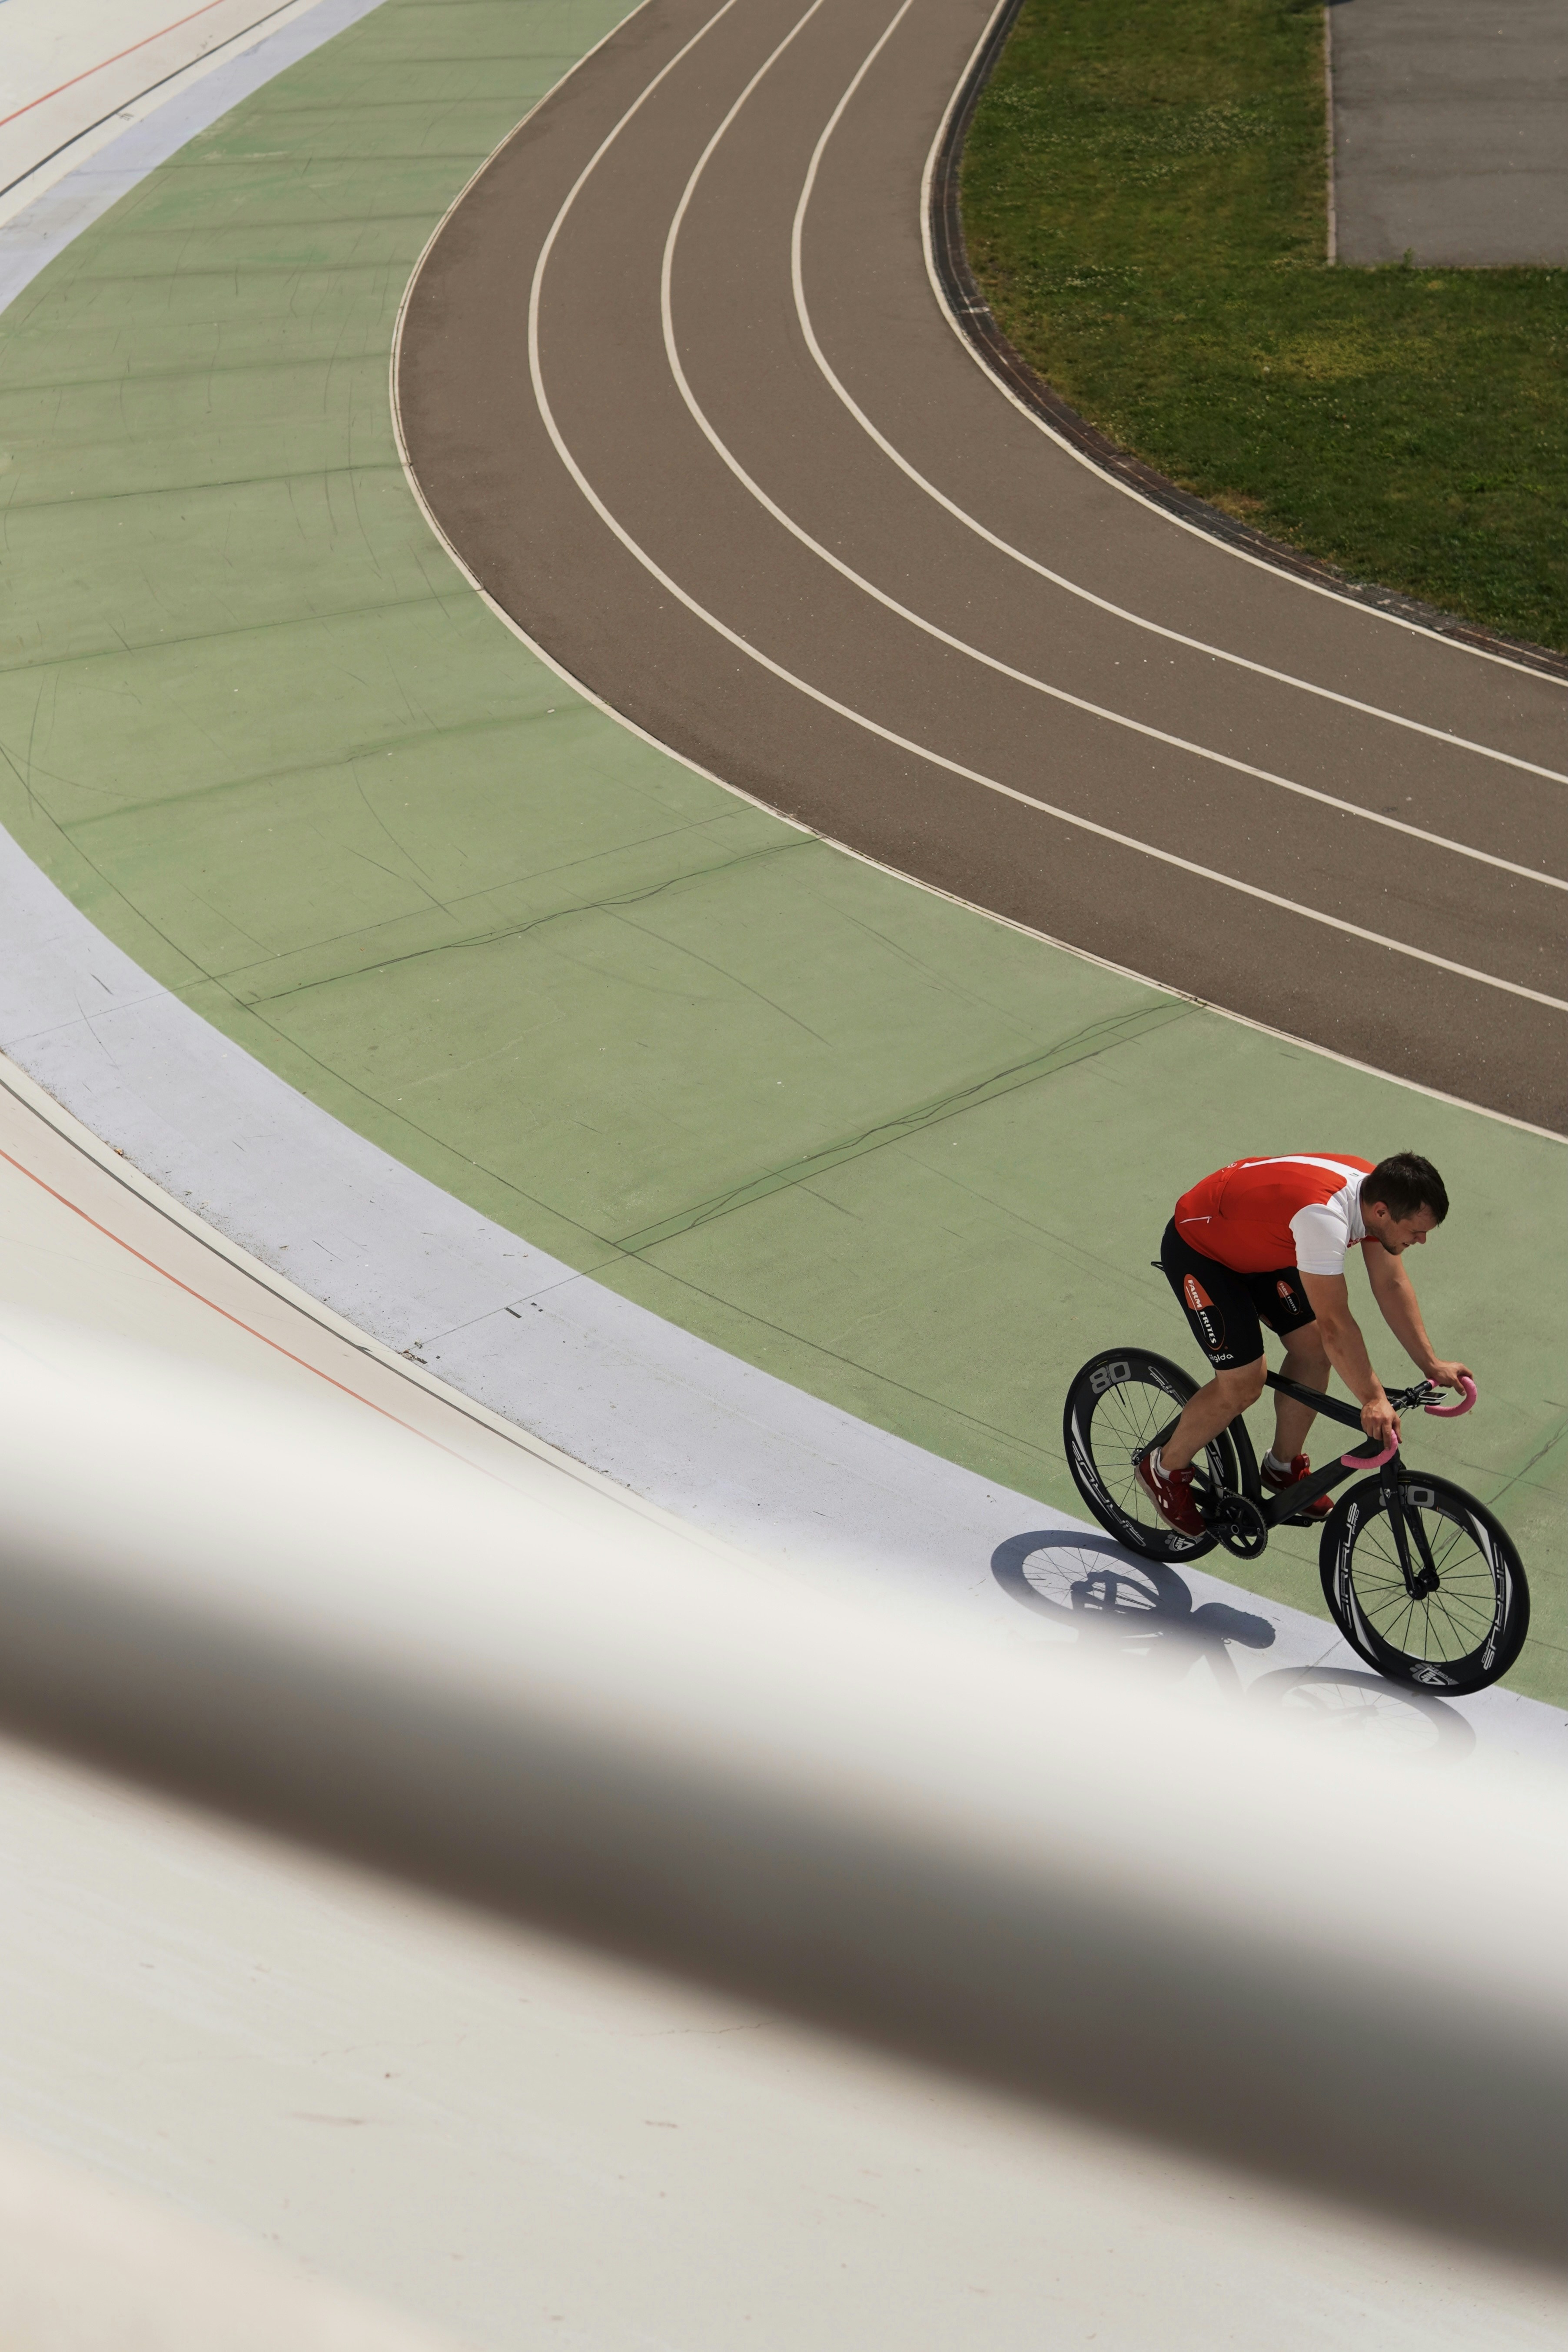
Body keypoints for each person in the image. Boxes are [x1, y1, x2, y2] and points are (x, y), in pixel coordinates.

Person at [1136, 1151, 1470, 1539]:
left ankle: (1281, 1466)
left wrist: (1431, 1363)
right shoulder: (1324, 1219)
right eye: (1416, 1231)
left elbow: (1391, 1285)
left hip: (1261, 1240)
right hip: (1202, 1248)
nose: (1423, 1240)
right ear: (1381, 1212)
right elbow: (1336, 1325)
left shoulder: (1378, 1190)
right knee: (1245, 1381)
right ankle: (1163, 1469)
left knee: (1312, 1350)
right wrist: (1373, 1398)